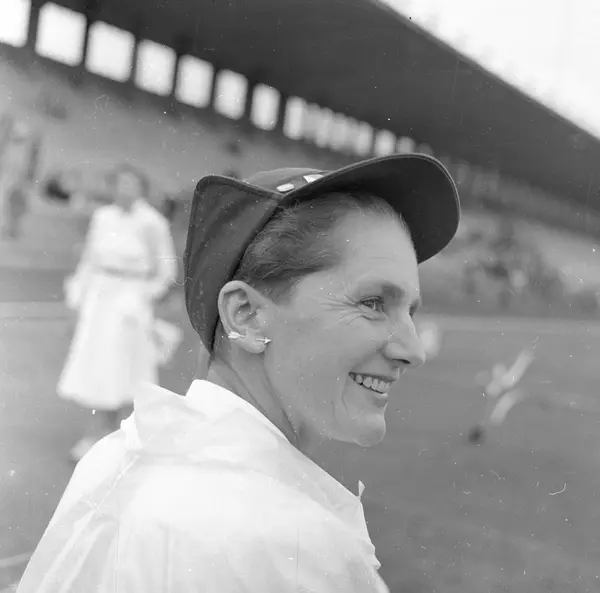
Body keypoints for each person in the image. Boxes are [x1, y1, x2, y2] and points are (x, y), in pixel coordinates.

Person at [17, 154, 460, 592]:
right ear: (245, 315)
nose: (413, 351)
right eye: (373, 303)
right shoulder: (294, 546)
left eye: (411, 312)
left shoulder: (111, 461)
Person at [57, 163, 178, 462]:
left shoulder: (152, 223)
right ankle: (95, 435)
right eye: (120, 183)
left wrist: (141, 297)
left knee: (125, 370)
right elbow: (88, 262)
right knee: (96, 368)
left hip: (130, 305)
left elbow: (166, 272)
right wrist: (76, 301)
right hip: (99, 301)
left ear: (141, 188)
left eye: (131, 184)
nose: (124, 189)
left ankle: (122, 438)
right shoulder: (103, 216)